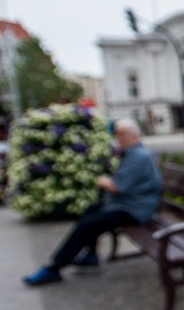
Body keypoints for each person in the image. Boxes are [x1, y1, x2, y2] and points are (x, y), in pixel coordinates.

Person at [23, 118, 161, 285]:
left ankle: (54, 268)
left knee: (87, 225)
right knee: (91, 210)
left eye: (122, 134)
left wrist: (103, 181)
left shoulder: (138, 156)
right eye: (117, 133)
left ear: (134, 136)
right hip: (127, 205)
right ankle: (91, 255)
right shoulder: (134, 153)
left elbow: (118, 187)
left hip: (135, 211)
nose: (118, 138)